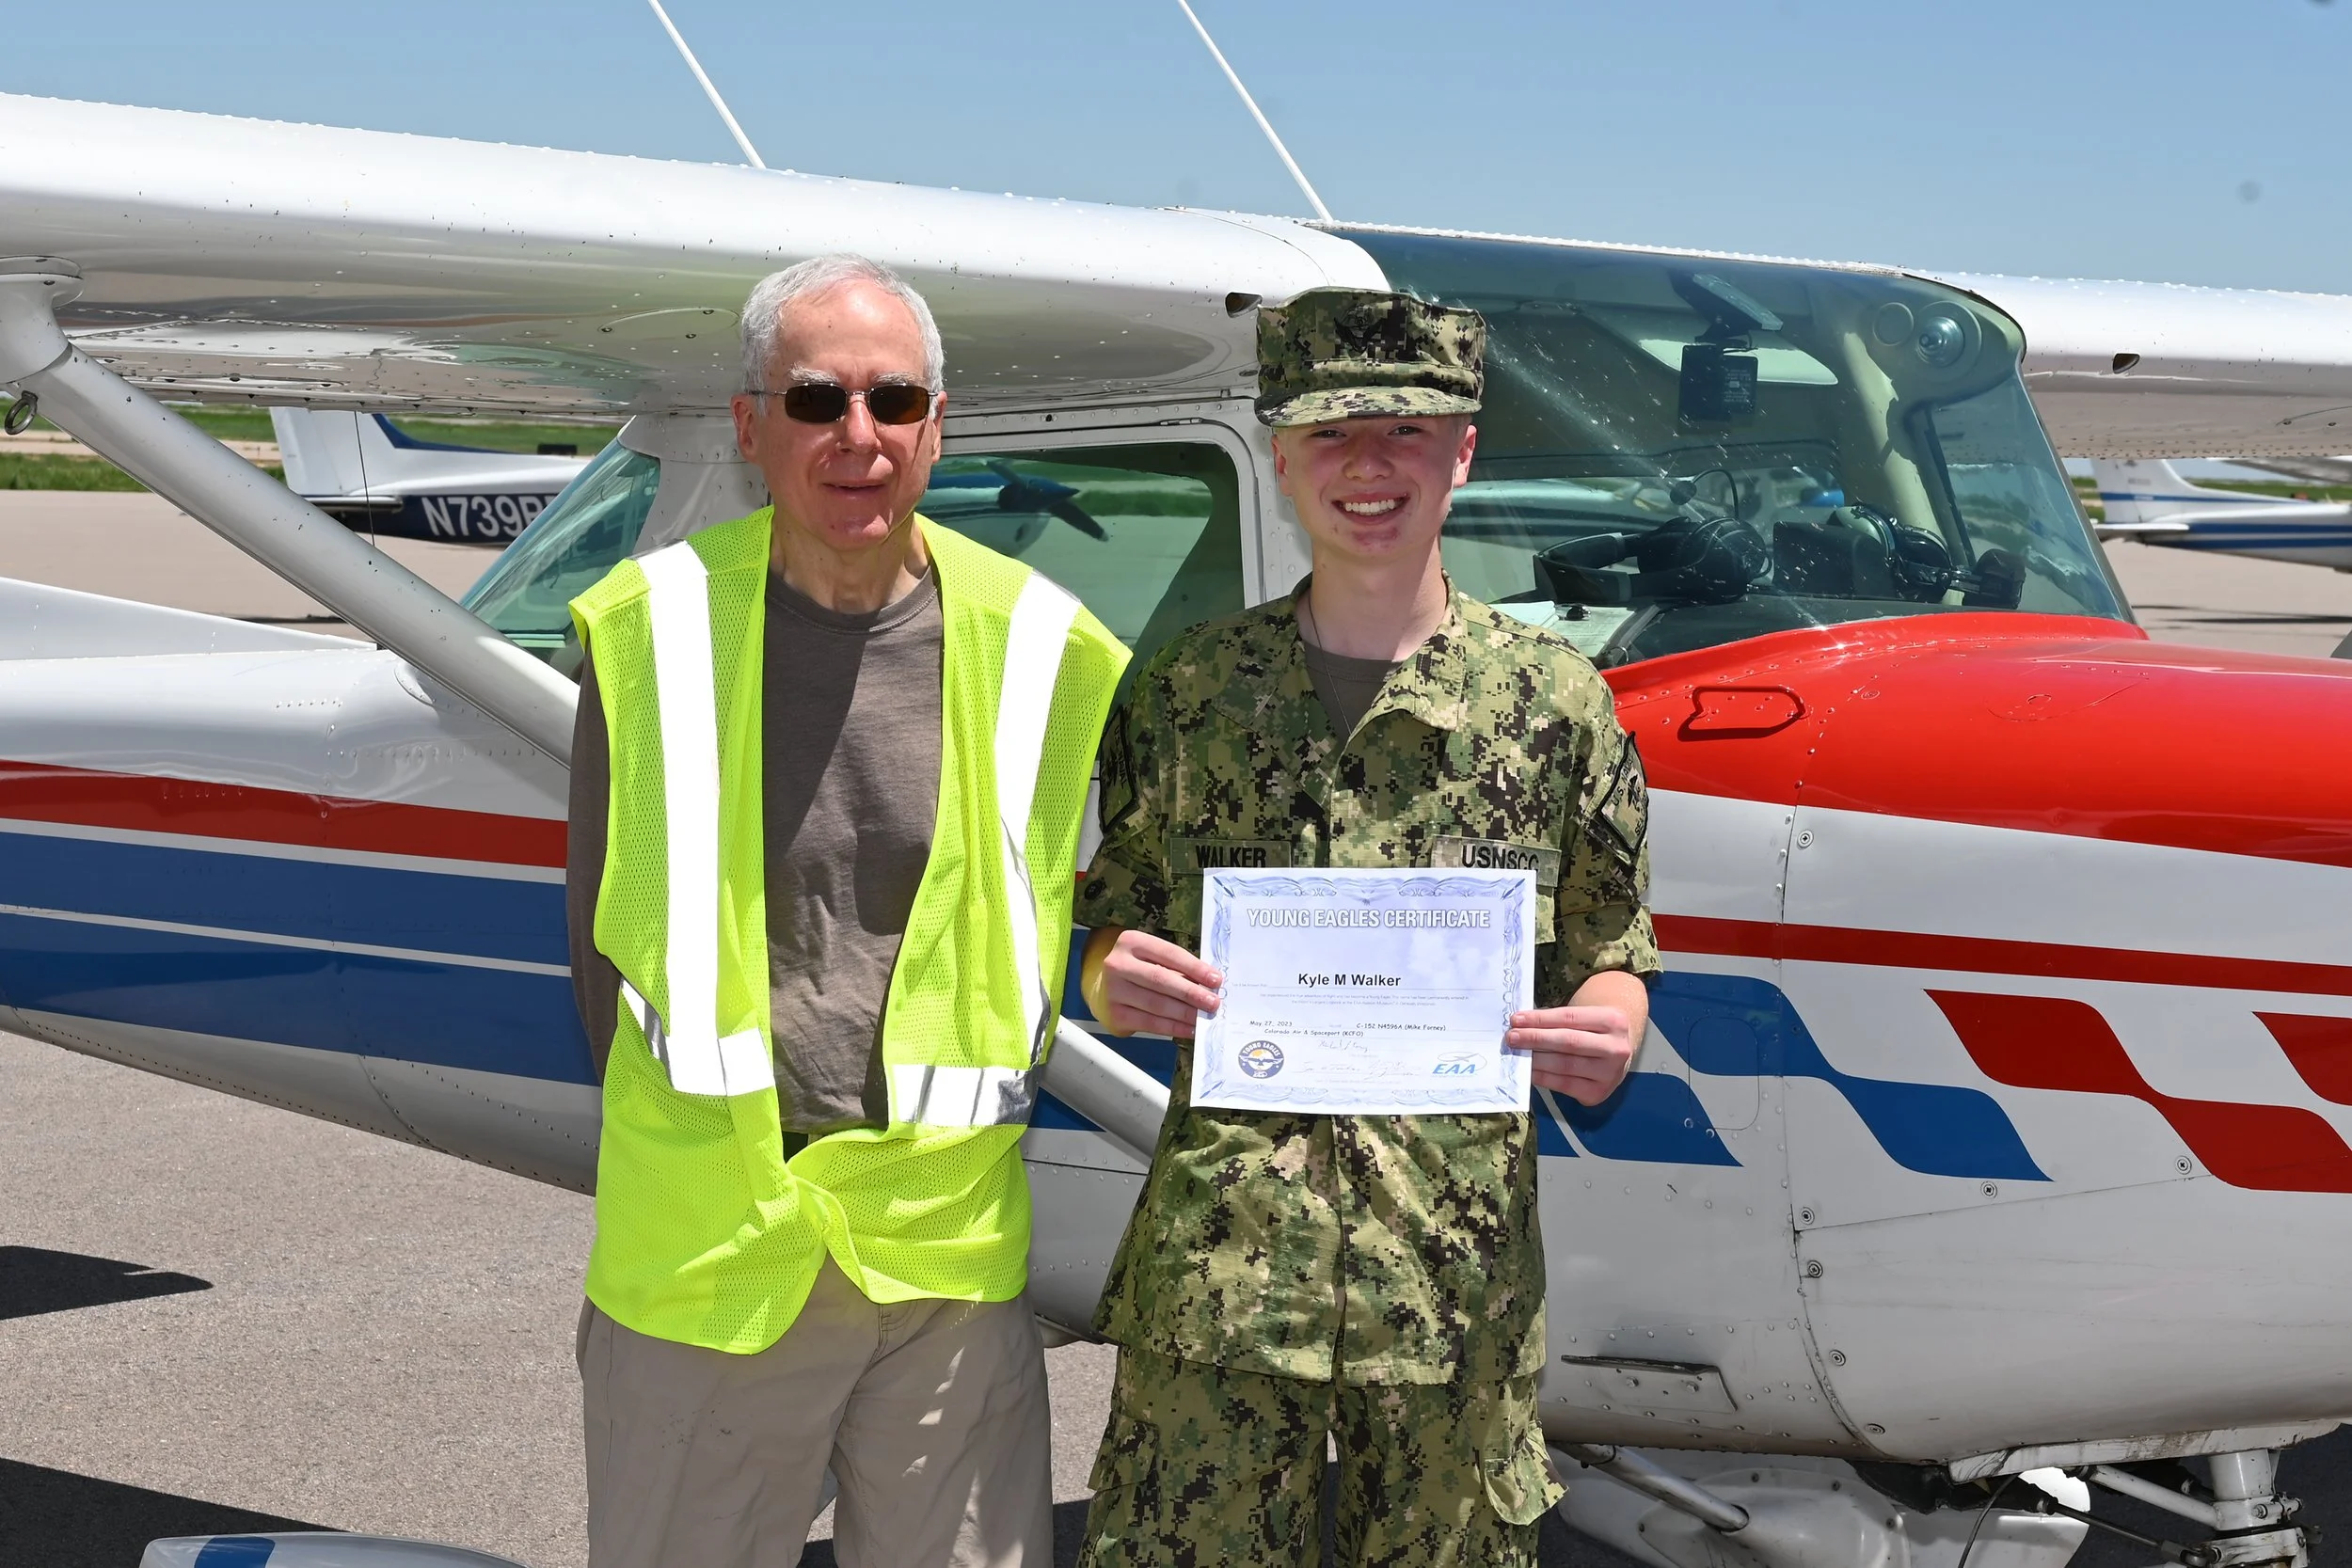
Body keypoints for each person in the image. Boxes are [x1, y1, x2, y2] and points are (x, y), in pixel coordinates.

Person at [1070, 288, 1661, 1567]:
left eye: (1407, 427)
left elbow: (1612, 945)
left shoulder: (1554, 708)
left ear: (1464, 451)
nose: (1369, 464)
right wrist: (1120, 981)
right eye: (1333, 433)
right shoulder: (1189, 692)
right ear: (1281, 456)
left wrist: (1609, 1027)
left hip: (1453, 1288)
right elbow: (1111, 924)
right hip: (1224, 1282)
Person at [564, 253, 1128, 1568]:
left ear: (940, 424)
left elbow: (1069, 912)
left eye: (893, 399)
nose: (857, 436)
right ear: (750, 425)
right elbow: (600, 945)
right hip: (715, 1255)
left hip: (946, 1260)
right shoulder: (647, 632)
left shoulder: (1052, 645)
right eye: (816, 400)